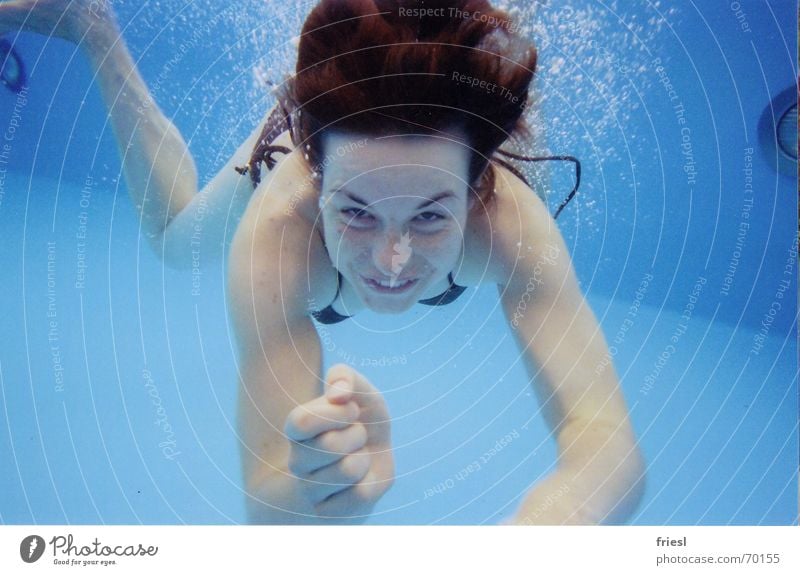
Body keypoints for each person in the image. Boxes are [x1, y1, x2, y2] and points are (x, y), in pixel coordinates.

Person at [2, 0, 646, 524]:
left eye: (429, 216)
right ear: (315, 175)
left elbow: (604, 437)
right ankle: (93, 27)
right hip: (302, 130)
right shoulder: (277, 238)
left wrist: (540, 539)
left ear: (479, 187)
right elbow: (266, 494)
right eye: (356, 212)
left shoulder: (511, 227)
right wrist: (323, 492)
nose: (391, 262)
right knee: (175, 244)